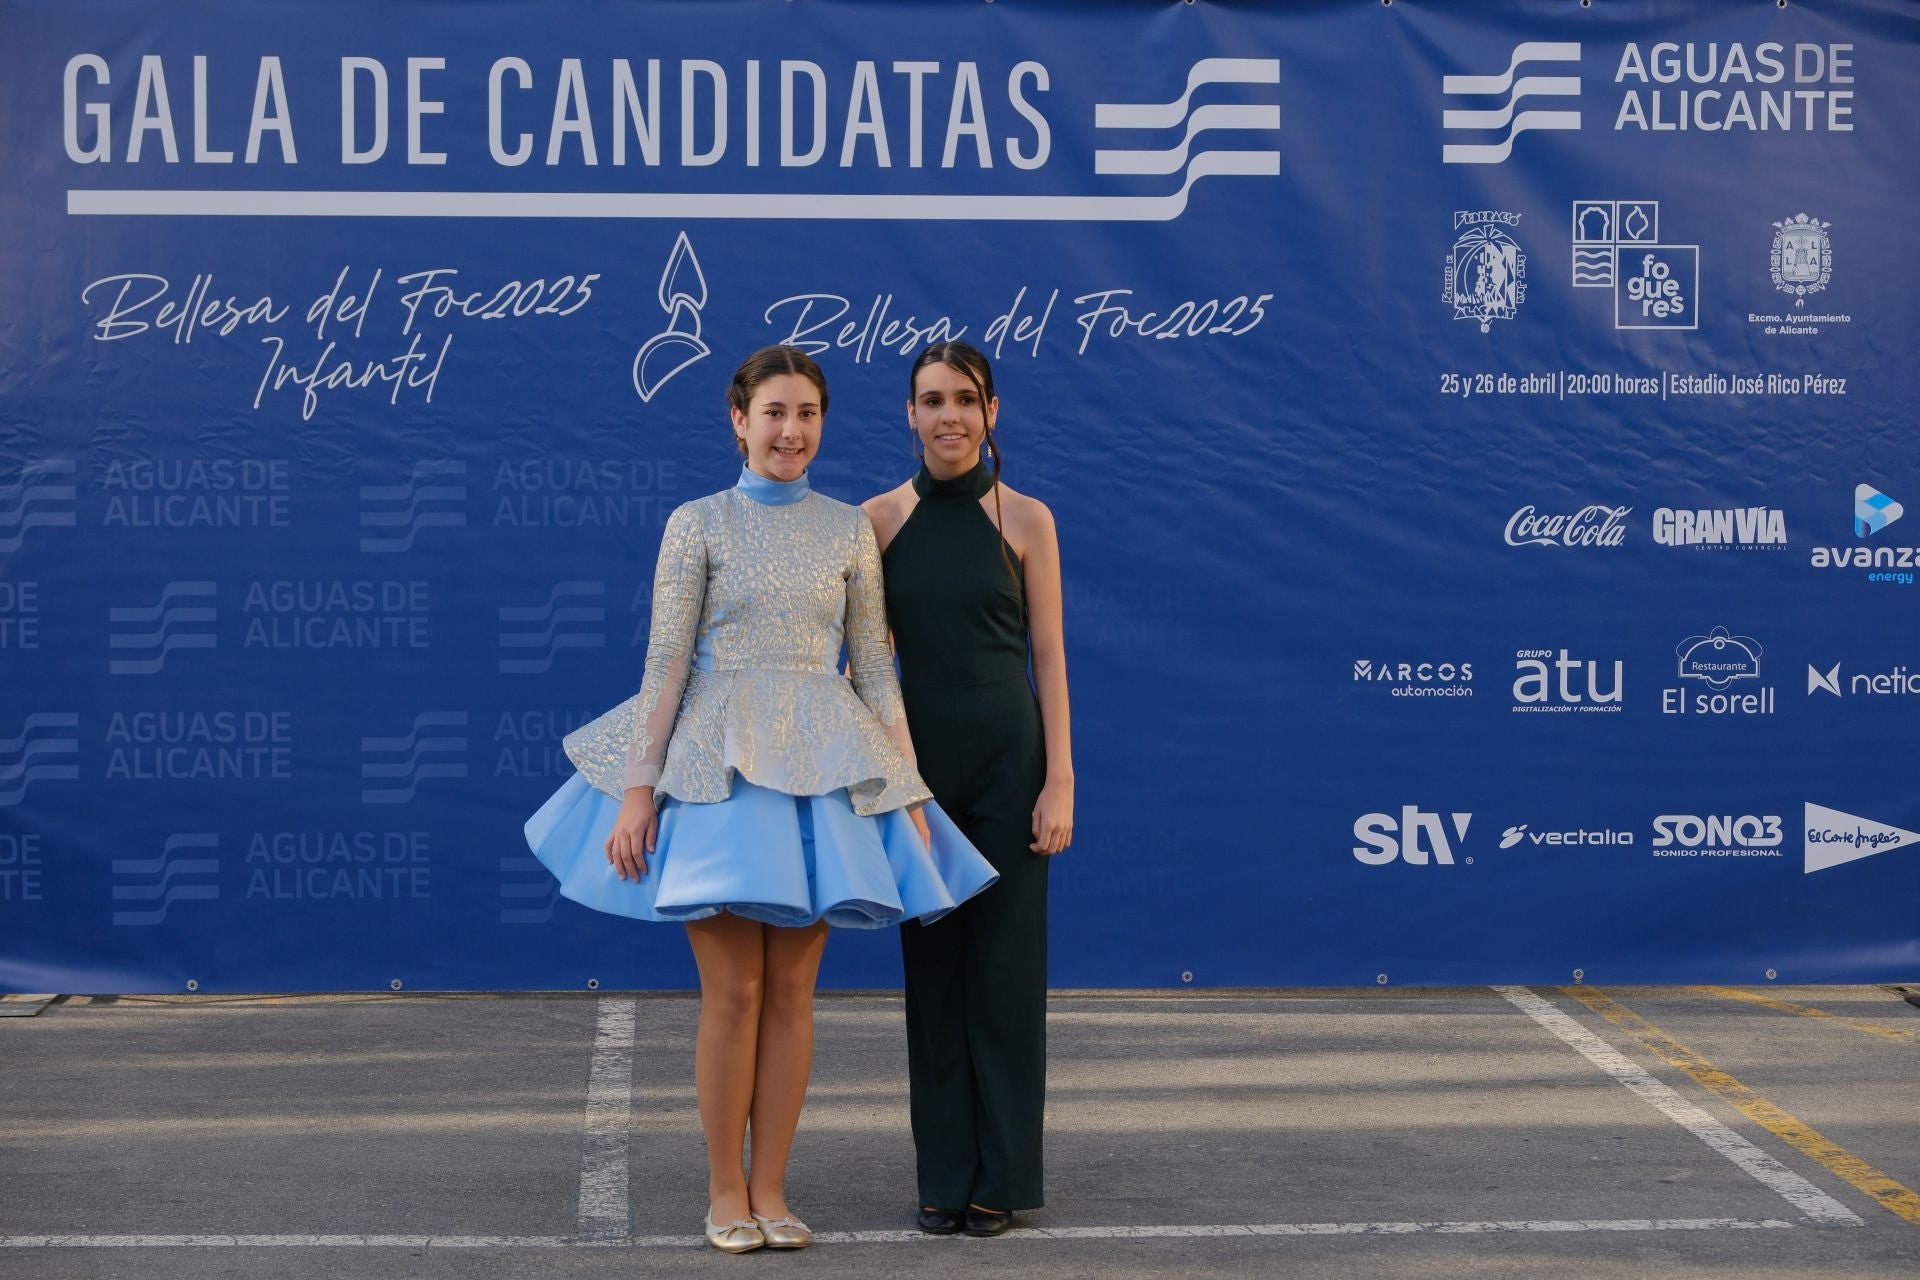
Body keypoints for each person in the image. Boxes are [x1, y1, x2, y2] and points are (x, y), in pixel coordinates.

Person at [524, 345, 997, 1254]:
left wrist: (908, 797)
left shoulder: (849, 529)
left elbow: (878, 676)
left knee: (792, 995)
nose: (792, 431)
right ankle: (724, 1192)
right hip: (719, 773)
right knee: (733, 993)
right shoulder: (696, 522)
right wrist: (639, 790)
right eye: (775, 413)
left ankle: (774, 1191)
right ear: (738, 422)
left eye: (808, 414)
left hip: (822, 772)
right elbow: (665, 663)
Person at [862, 341, 1074, 1238]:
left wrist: (1060, 779)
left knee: (1005, 975)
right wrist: (886, 783)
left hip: (1011, 767)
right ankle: (944, 1176)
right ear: (908, 415)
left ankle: (1004, 1177)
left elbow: (1051, 658)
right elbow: (868, 668)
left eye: (965, 399)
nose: (949, 415)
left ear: (994, 412)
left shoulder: (1027, 519)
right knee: (935, 971)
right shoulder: (874, 521)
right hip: (919, 776)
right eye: (931, 399)